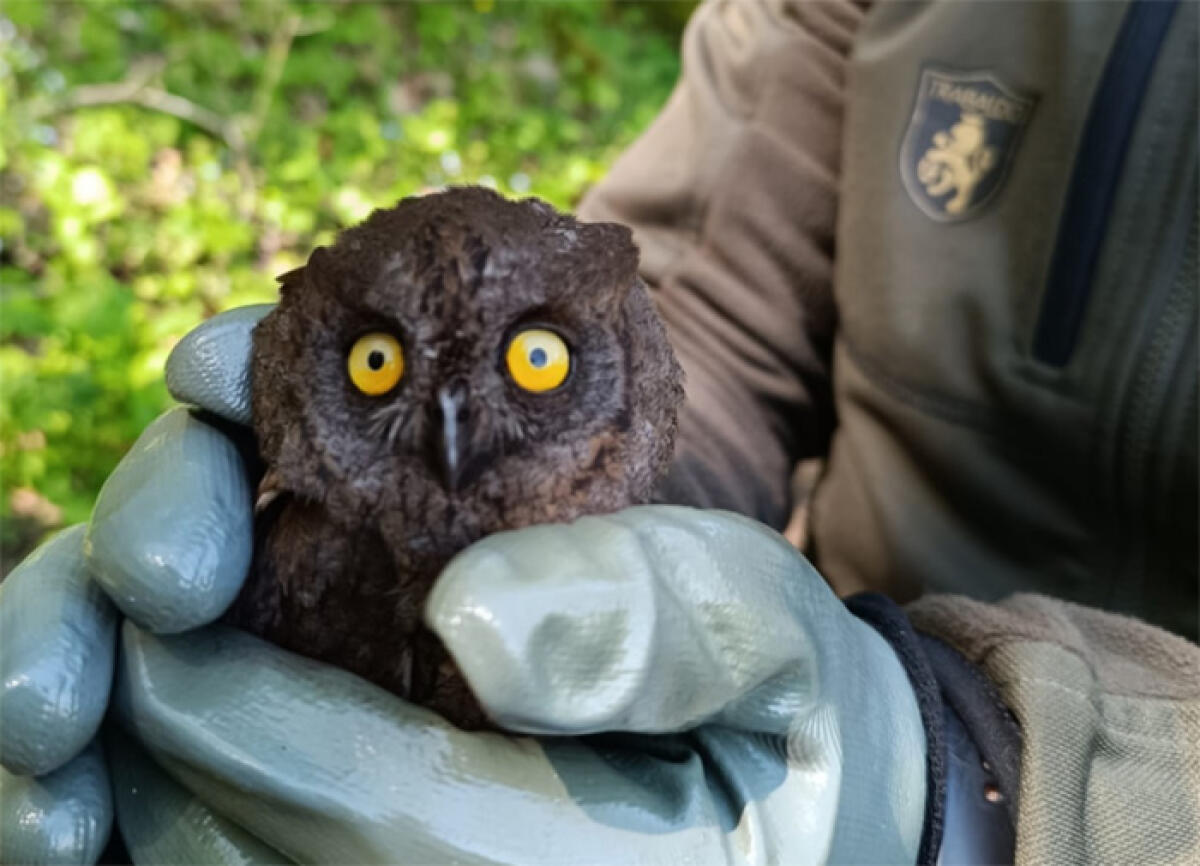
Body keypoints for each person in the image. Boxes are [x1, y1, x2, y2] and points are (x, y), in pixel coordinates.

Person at [1, 1, 1197, 863]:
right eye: (374, 363)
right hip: (796, 646)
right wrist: (621, 546)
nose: (455, 427)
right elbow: (716, 313)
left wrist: (980, 783)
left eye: (534, 364)